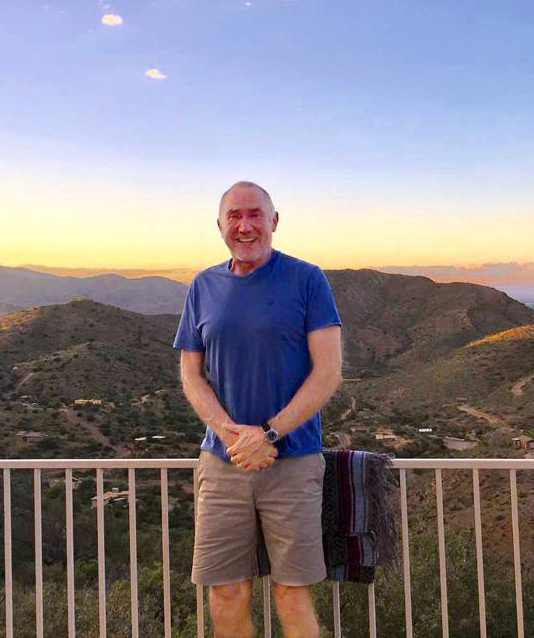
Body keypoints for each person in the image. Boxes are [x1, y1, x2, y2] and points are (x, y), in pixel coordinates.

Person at [174, 181, 342, 638]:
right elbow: (191, 374)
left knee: (292, 593)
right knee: (225, 593)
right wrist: (232, 434)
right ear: (220, 225)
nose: (245, 226)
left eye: (255, 215)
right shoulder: (203, 286)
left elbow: (328, 372)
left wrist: (267, 434)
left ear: (274, 221)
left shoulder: (307, 279)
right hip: (223, 460)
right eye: (234, 216)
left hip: (292, 460)